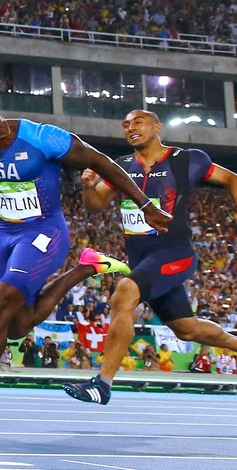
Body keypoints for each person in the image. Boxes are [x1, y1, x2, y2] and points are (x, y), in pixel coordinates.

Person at [0, 89, 170, 438]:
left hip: (45, 234)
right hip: (7, 238)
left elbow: (102, 163)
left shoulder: (42, 137)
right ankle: (85, 267)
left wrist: (144, 204)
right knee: (15, 327)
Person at [63, 109, 237, 405]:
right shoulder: (121, 166)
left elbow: (231, 178)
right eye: (125, 124)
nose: (130, 127)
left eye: (138, 122)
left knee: (124, 293)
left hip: (176, 253)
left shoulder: (186, 160)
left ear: (157, 127)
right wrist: (89, 186)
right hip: (143, 260)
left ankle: (102, 384)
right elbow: (94, 205)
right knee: (186, 329)